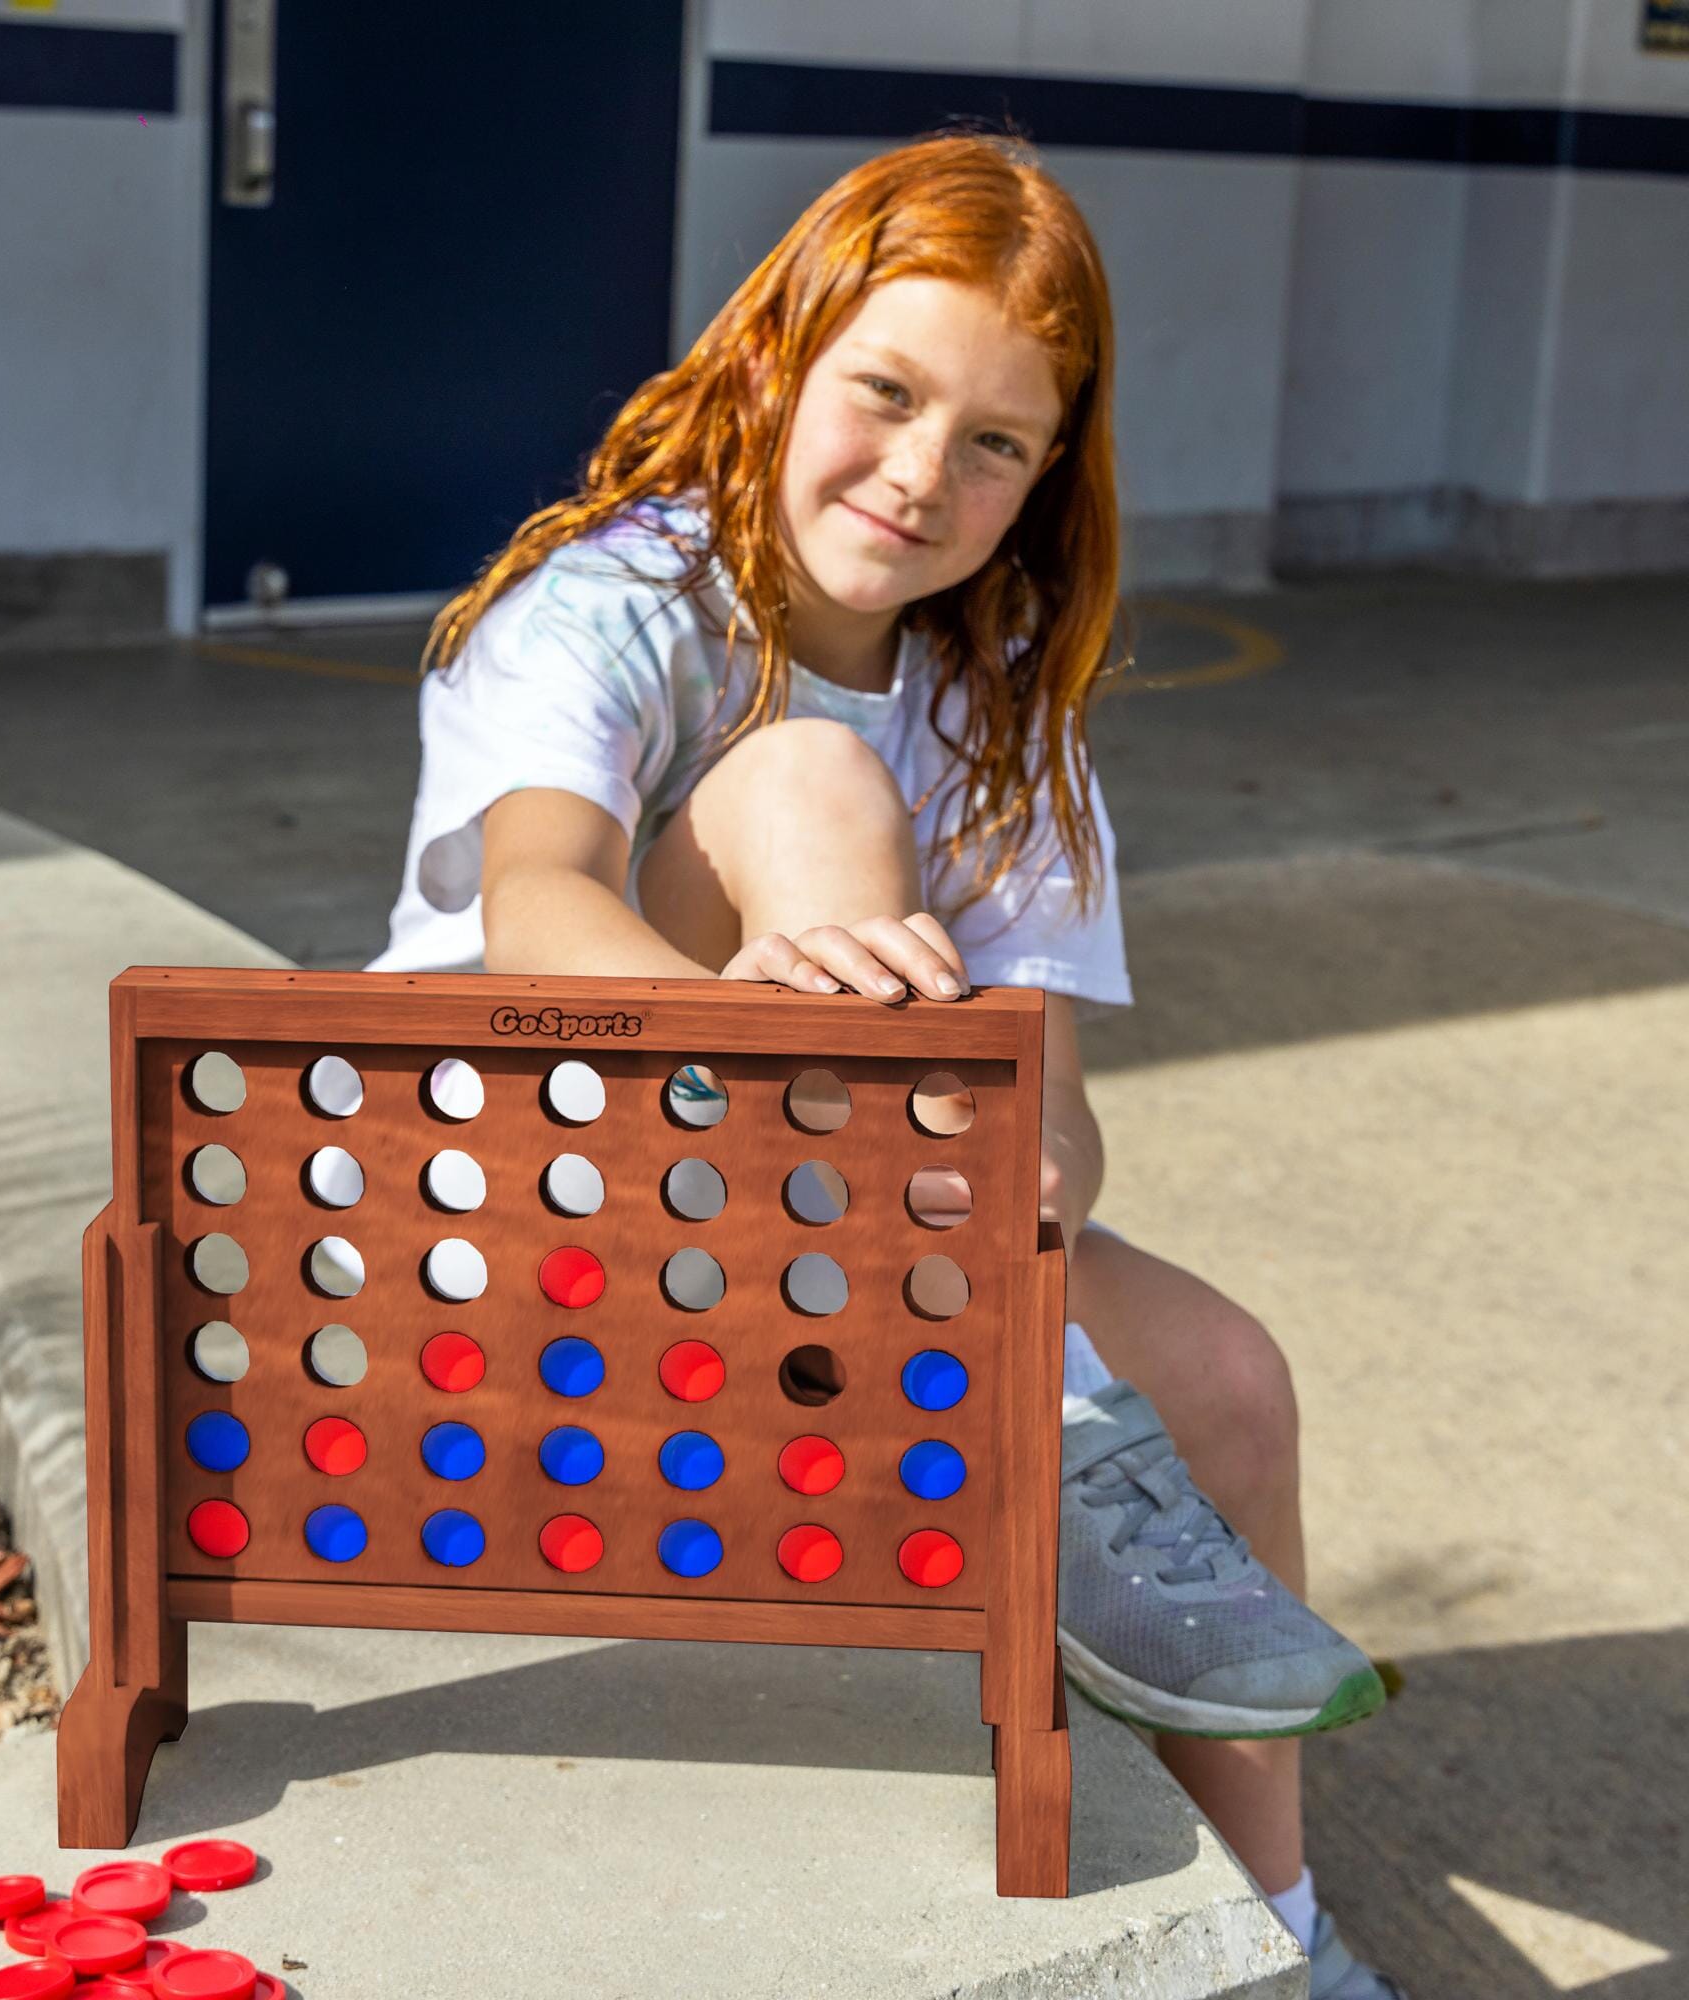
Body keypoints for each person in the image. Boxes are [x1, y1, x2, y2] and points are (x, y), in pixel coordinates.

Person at [366, 129, 1398, 1998]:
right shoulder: (615, 605)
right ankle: (1053, 1428)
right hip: (510, 1214)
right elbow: (533, 904)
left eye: (996, 440)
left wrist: (982, 1158)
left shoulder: (1001, 716)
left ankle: (1290, 1943)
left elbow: (1054, 1120)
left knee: (1234, 1385)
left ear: (1045, 480)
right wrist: (785, 1054)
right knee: (804, 779)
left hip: (847, 1242)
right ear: (779, 357)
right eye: (888, 393)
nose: (924, 473)